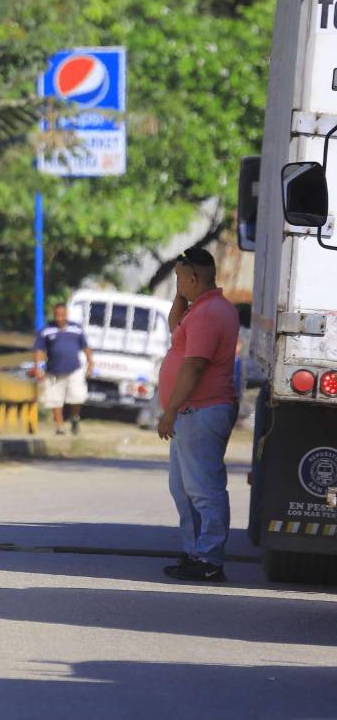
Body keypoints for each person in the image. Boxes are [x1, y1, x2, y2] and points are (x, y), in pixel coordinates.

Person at [157, 246, 240, 583]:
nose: (178, 285)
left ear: (194, 278)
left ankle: (209, 559)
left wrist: (170, 410)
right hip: (191, 413)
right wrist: (181, 294)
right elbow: (175, 324)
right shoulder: (201, 309)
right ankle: (195, 552)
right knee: (183, 488)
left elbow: (193, 367)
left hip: (201, 411)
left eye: (180, 279)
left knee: (204, 490)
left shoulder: (209, 313)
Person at [33, 302, 95, 436]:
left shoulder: (76, 329)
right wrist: (38, 367)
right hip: (54, 370)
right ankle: (60, 427)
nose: (59, 318)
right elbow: (39, 349)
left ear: (66, 315)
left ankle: (74, 418)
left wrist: (90, 363)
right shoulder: (46, 330)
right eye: (57, 315)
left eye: (62, 315)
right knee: (55, 399)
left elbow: (86, 347)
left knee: (76, 397)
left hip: (74, 369)